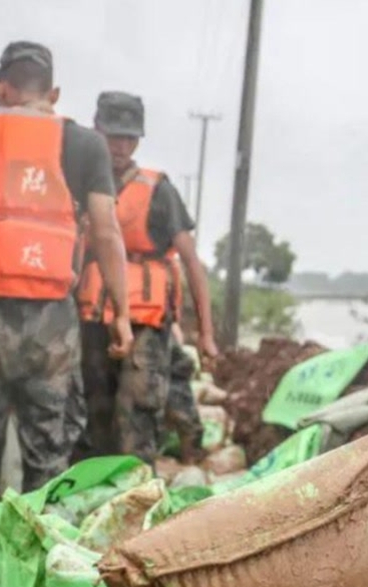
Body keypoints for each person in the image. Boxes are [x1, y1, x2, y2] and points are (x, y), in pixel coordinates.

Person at [0, 41, 132, 518]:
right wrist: (121, 314)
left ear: (1, 87)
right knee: (47, 455)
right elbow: (106, 231)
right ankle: (41, 571)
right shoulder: (83, 143)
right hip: (48, 319)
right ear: (52, 93)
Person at [74, 91, 217, 464]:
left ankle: (141, 496)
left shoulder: (158, 191)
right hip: (91, 318)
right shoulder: (78, 186)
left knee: (138, 410)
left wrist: (206, 333)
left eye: (129, 138)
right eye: (112, 137)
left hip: (147, 323)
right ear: (96, 132)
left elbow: (191, 262)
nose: (120, 146)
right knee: (93, 410)